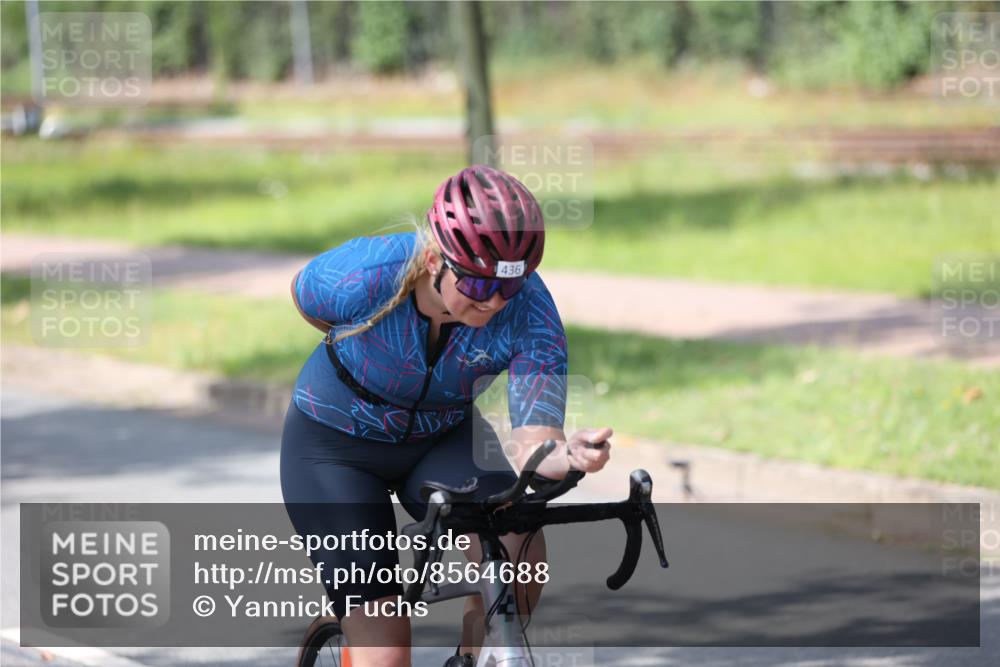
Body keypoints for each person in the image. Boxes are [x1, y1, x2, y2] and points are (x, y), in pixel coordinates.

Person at [281, 164, 611, 667]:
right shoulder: (365, 274)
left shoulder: (531, 312)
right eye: (479, 288)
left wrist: (567, 456)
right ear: (435, 258)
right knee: (386, 650)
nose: (496, 303)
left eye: (511, 287)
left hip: (440, 436)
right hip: (334, 448)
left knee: (520, 554)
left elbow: (535, 441)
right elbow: (307, 300)